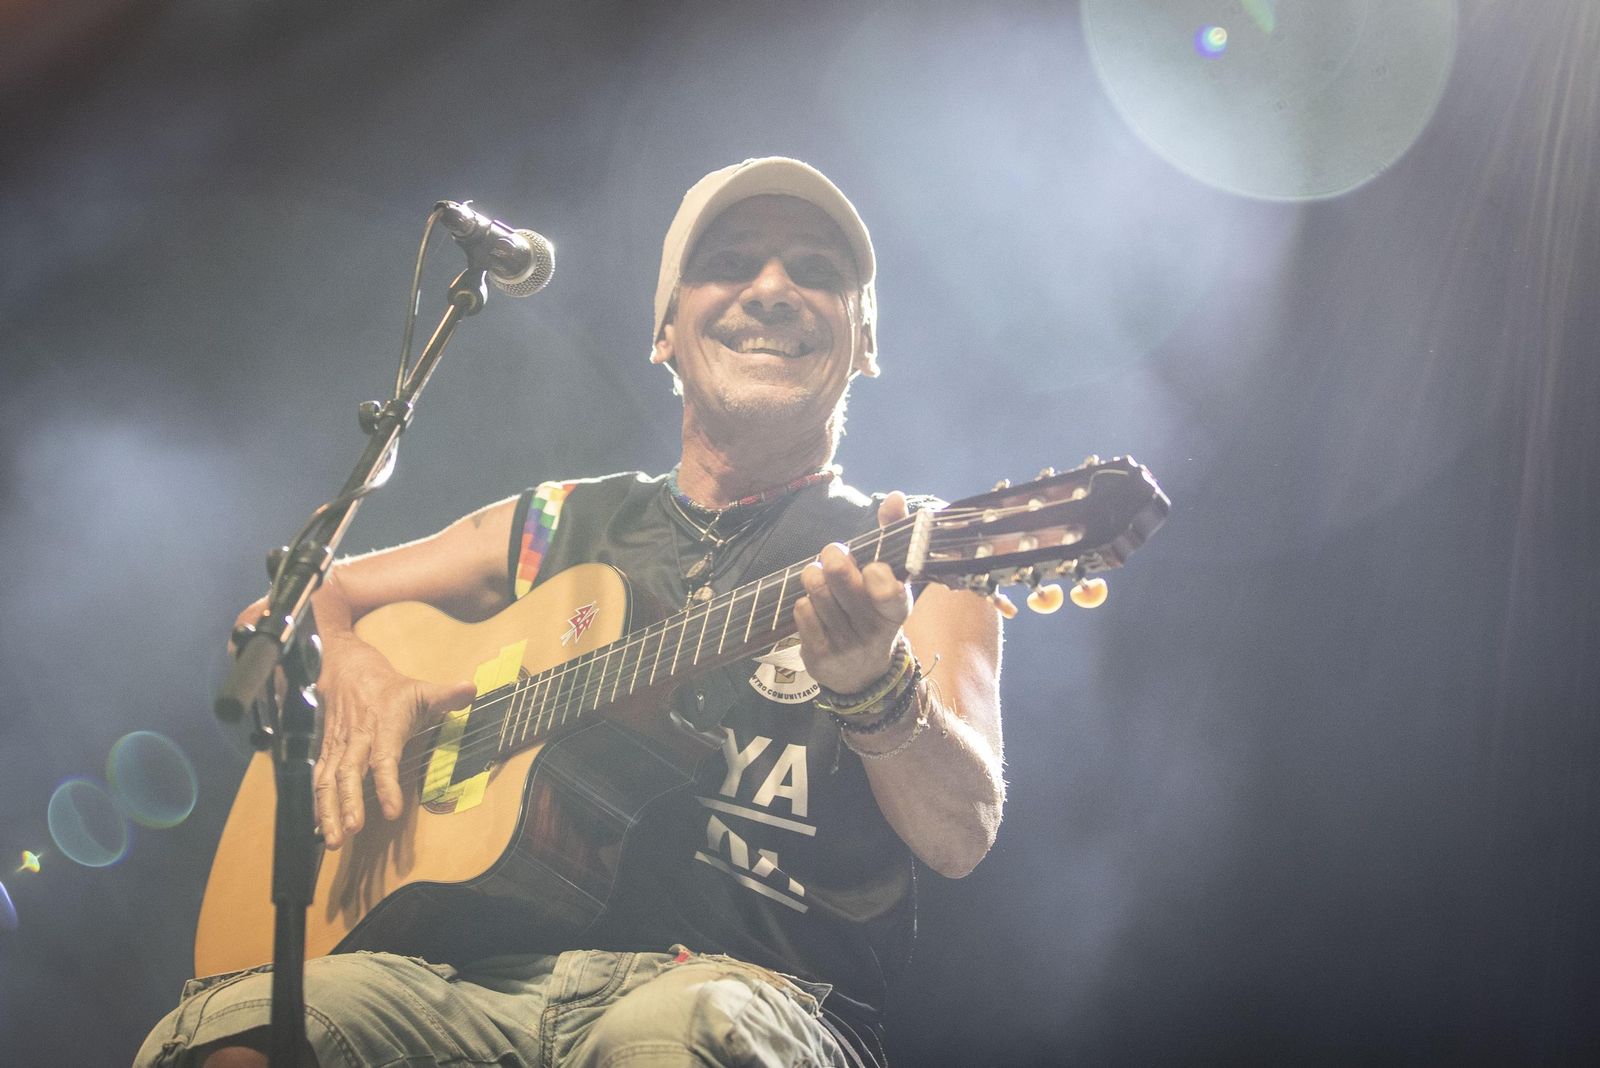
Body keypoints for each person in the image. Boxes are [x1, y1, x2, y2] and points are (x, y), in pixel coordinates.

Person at [136, 157, 1004, 1068]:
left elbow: (960, 833)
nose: (773, 289)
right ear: (665, 331)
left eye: (817, 272)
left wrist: (877, 689)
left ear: (863, 343)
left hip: (752, 1000)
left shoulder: (920, 556)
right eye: (731, 263)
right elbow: (283, 615)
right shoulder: (557, 524)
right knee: (241, 1037)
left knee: (672, 1036)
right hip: (476, 982)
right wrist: (356, 671)